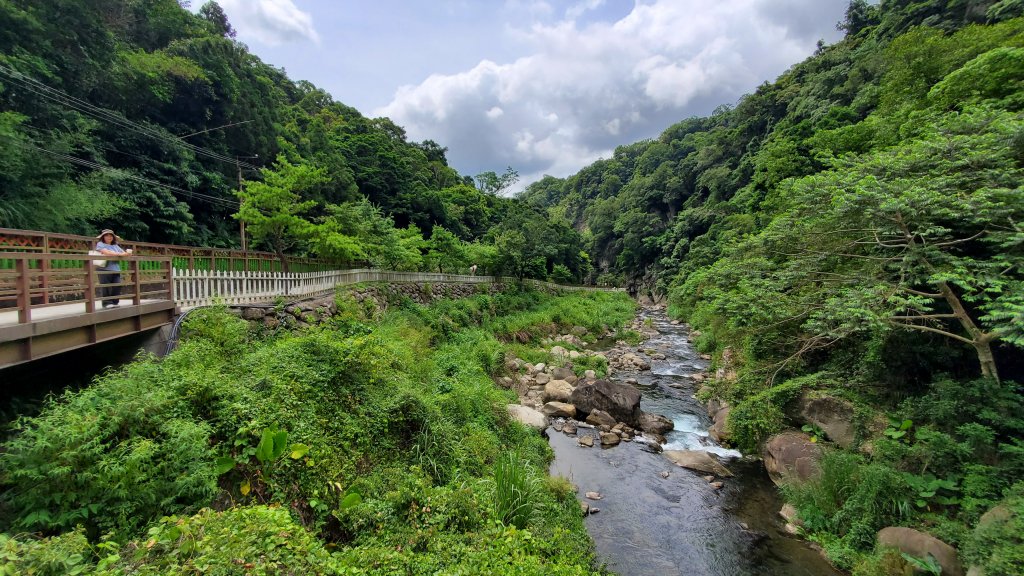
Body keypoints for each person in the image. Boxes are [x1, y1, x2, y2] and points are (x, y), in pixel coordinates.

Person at [94, 228, 132, 307]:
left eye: (111, 236)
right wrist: (120, 254)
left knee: (118, 284)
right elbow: (106, 252)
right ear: (103, 237)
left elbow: (124, 253)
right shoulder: (100, 244)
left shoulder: (115, 245)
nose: (109, 237)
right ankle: (106, 303)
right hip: (104, 268)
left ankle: (114, 302)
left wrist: (125, 253)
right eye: (107, 236)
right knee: (106, 286)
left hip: (115, 268)